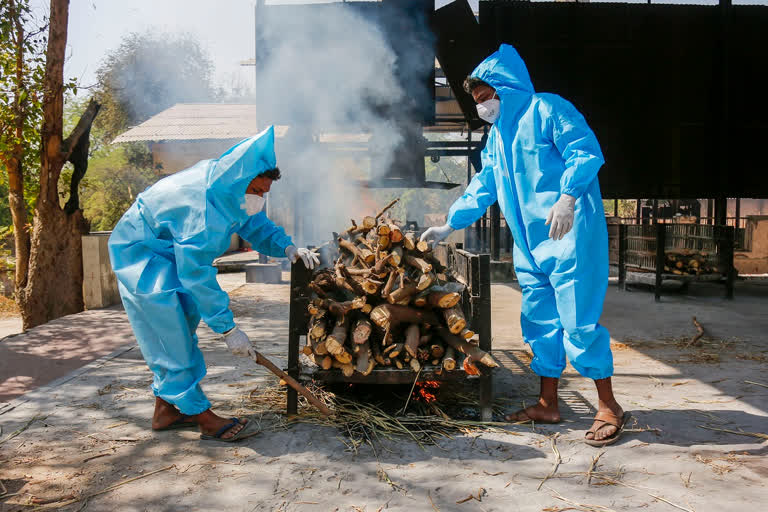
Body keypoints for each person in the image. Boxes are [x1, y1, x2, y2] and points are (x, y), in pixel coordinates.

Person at [420, 45, 628, 447]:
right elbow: (484, 186)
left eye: (486, 97)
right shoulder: (497, 137)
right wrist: (449, 223)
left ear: (505, 89)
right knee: (540, 325)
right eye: (478, 101)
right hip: (530, 247)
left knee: (578, 325)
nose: (483, 107)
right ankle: (548, 403)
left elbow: (584, 151)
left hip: (568, 235)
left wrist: (568, 197)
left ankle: (608, 406)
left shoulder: (547, 109)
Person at [108, 126, 318, 442]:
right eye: (258, 191)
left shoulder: (230, 190)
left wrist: (288, 248)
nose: (260, 198)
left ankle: (165, 412)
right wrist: (228, 330)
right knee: (170, 331)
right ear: (242, 182)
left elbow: (256, 225)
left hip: (167, 250)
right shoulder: (202, 209)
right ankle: (202, 416)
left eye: (264, 193)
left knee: (183, 322)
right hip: (141, 252)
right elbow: (197, 276)